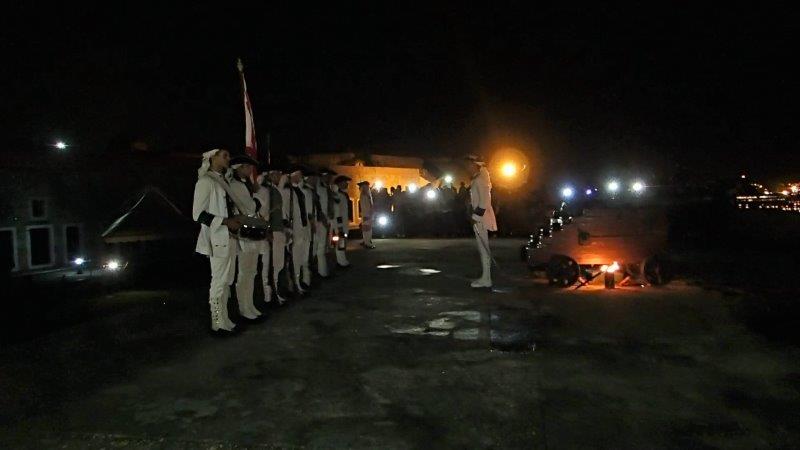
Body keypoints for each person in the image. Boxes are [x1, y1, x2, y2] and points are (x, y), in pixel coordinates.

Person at [192, 148, 240, 333]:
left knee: (227, 280)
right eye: (224, 155)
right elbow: (198, 214)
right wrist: (225, 221)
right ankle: (217, 322)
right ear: (212, 158)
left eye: (229, 155)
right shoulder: (205, 182)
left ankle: (225, 319)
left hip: (230, 237)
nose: (228, 158)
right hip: (218, 238)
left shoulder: (223, 181)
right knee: (218, 281)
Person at [228, 155, 263, 320]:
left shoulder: (244, 186)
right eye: (247, 167)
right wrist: (257, 202)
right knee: (245, 272)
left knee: (251, 271)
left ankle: (249, 304)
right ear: (238, 168)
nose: (250, 171)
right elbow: (249, 206)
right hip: (243, 232)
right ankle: (244, 307)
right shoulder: (235, 185)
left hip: (252, 229)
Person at [255, 166, 290, 305]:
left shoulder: (274, 190)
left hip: (278, 231)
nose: (278, 176)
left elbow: (282, 213)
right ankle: (269, 297)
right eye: (275, 174)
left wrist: (285, 229)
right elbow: (262, 214)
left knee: (278, 264)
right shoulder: (264, 191)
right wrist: (267, 231)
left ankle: (277, 294)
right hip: (270, 232)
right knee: (269, 267)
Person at [466, 154, 498, 288]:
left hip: (481, 219)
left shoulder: (481, 179)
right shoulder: (478, 178)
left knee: (484, 249)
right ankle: (485, 277)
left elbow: (484, 202)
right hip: (479, 218)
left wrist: (475, 218)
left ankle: (487, 279)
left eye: (468, 164)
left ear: (475, 165)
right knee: (483, 249)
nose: (466, 167)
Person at [288, 167, 311, 295]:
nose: (301, 177)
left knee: (302, 257)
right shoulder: (288, 191)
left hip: (302, 227)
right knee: (295, 258)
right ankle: (295, 284)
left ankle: (300, 281)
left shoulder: (299, 190)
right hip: (294, 229)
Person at [313, 168, 336, 278]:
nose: (330, 179)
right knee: (320, 247)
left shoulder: (327, 188)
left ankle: (324, 270)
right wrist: (323, 220)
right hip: (320, 220)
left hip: (327, 219)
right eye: (328, 177)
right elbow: (318, 206)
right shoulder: (318, 188)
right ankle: (321, 272)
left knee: (326, 247)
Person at [332, 175, 352, 267]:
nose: (347, 184)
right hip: (340, 223)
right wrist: (339, 224)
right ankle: (341, 261)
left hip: (343, 222)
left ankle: (342, 260)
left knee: (343, 241)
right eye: (345, 182)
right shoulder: (337, 195)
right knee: (340, 242)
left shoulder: (343, 194)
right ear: (339, 184)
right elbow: (337, 211)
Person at [358, 180, 375, 248]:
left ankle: (366, 241)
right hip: (367, 214)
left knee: (366, 228)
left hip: (366, 214)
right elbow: (367, 206)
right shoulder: (365, 196)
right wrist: (368, 215)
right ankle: (367, 243)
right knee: (367, 229)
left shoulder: (365, 195)